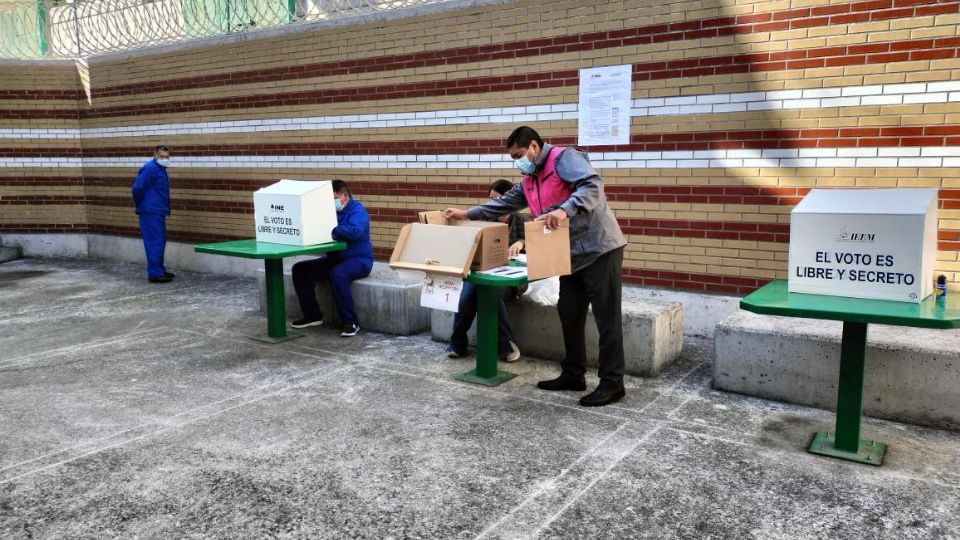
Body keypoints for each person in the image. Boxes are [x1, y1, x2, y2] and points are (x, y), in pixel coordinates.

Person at [444, 126, 628, 407]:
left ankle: (613, 383)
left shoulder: (563, 158)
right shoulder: (530, 179)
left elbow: (593, 186)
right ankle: (573, 374)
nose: (517, 162)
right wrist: (466, 213)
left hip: (599, 248)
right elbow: (502, 203)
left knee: (606, 318)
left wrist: (563, 209)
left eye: (518, 155)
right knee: (570, 313)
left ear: (532, 146)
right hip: (570, 255)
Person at [446, 179, 526, 362]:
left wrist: (521, 243)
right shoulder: (484, 221)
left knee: (491, 293)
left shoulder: (521, 221)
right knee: (468, 295)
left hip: (509, 279)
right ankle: (458, 344)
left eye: (497, 200)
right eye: (490, 200)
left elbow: (536, 243)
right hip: (482, 274)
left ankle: (504, 344)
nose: (493, 205)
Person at [291, 179, 373, 337]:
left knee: (337, 273)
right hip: (335, 259)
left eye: (334, 198)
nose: (332, 202)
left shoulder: (358, 211)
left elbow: (354, 231)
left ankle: (351, 322)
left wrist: (332, 230)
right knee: (300, 270)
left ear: (345, 196)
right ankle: (312, 316)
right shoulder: (329, 211)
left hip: (359, 260)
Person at [132, 145, 174, 284]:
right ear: (155, 155)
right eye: (162, 156)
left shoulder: (160, 169)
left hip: (156, 210)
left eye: (167, 157)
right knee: (155, 242)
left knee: (159, 241)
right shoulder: (150, 168)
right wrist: (142, 205)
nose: (165, 159)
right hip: (151, 211)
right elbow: (137, 188)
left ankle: (159, 269)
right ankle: (155, 273)